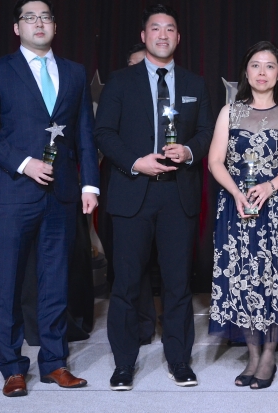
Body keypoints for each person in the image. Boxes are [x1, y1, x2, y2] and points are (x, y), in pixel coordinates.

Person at [0, 0, 100, 397]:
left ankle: (54, 363)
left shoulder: (74, 73)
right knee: (8, 283)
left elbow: (83, 133)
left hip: (61, 195)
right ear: (17, 28)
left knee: (55, 281)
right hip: (14, 193)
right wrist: (23, 163)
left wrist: (89, 184)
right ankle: (12, 366)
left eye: (45, 17)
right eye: (30, 18)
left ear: (55, 27)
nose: (38, 23)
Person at [95, 4, 214, 391]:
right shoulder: (120, 81)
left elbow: (210, 131)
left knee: (179, 283)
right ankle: (124, 364)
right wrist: (135, 162)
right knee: (127, 283)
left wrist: (190, 151)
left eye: (170, 29)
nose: (163, 35)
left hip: (178, 197)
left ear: (178, 38)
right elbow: (104, 134)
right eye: (155, 29)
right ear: (144, 36)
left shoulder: (196, 84)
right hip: (133, 194)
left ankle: (180, 360)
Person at [207, 41, 278, 389]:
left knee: (275, 278)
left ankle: (269, 354)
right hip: (237, 208)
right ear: (245, 72)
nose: (262, 72)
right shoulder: (229, 113)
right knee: (243, 278)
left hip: (276, 208)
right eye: (255, 65)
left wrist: (270, 187)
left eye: (269, 66)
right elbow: (215, 161)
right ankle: (252, 353)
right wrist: (236, 192)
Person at [97, 42, 158, 346]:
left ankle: (147, 325)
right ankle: (128, 334)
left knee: (151, 267)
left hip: (163, 192)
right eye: (134, 64)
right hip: (126, 186)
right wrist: (134, 163)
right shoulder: (118, 91)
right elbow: (105, 135)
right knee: (127, 269)